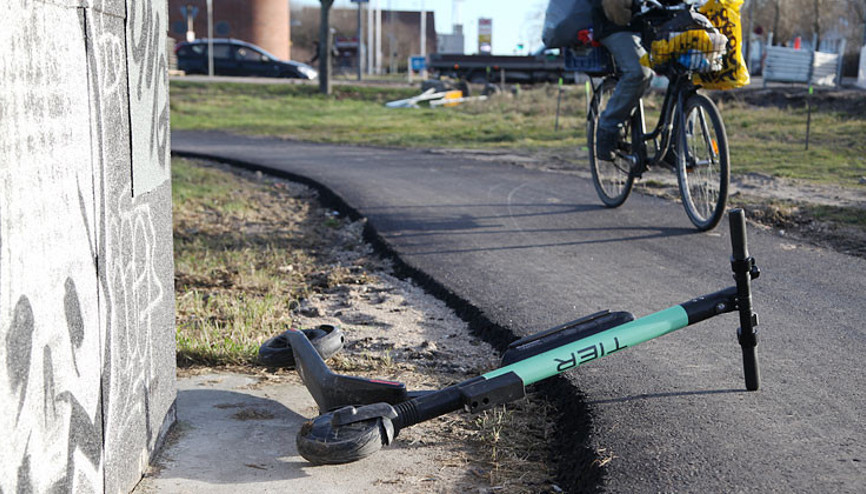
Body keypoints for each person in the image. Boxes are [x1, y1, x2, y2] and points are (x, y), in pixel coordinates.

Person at [592, 0, 654, 161]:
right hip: (616, 25)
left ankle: (679, 143)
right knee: (639, 71)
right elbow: (616, 11)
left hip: (649, 24)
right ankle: (608, 127)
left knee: (686, 69)